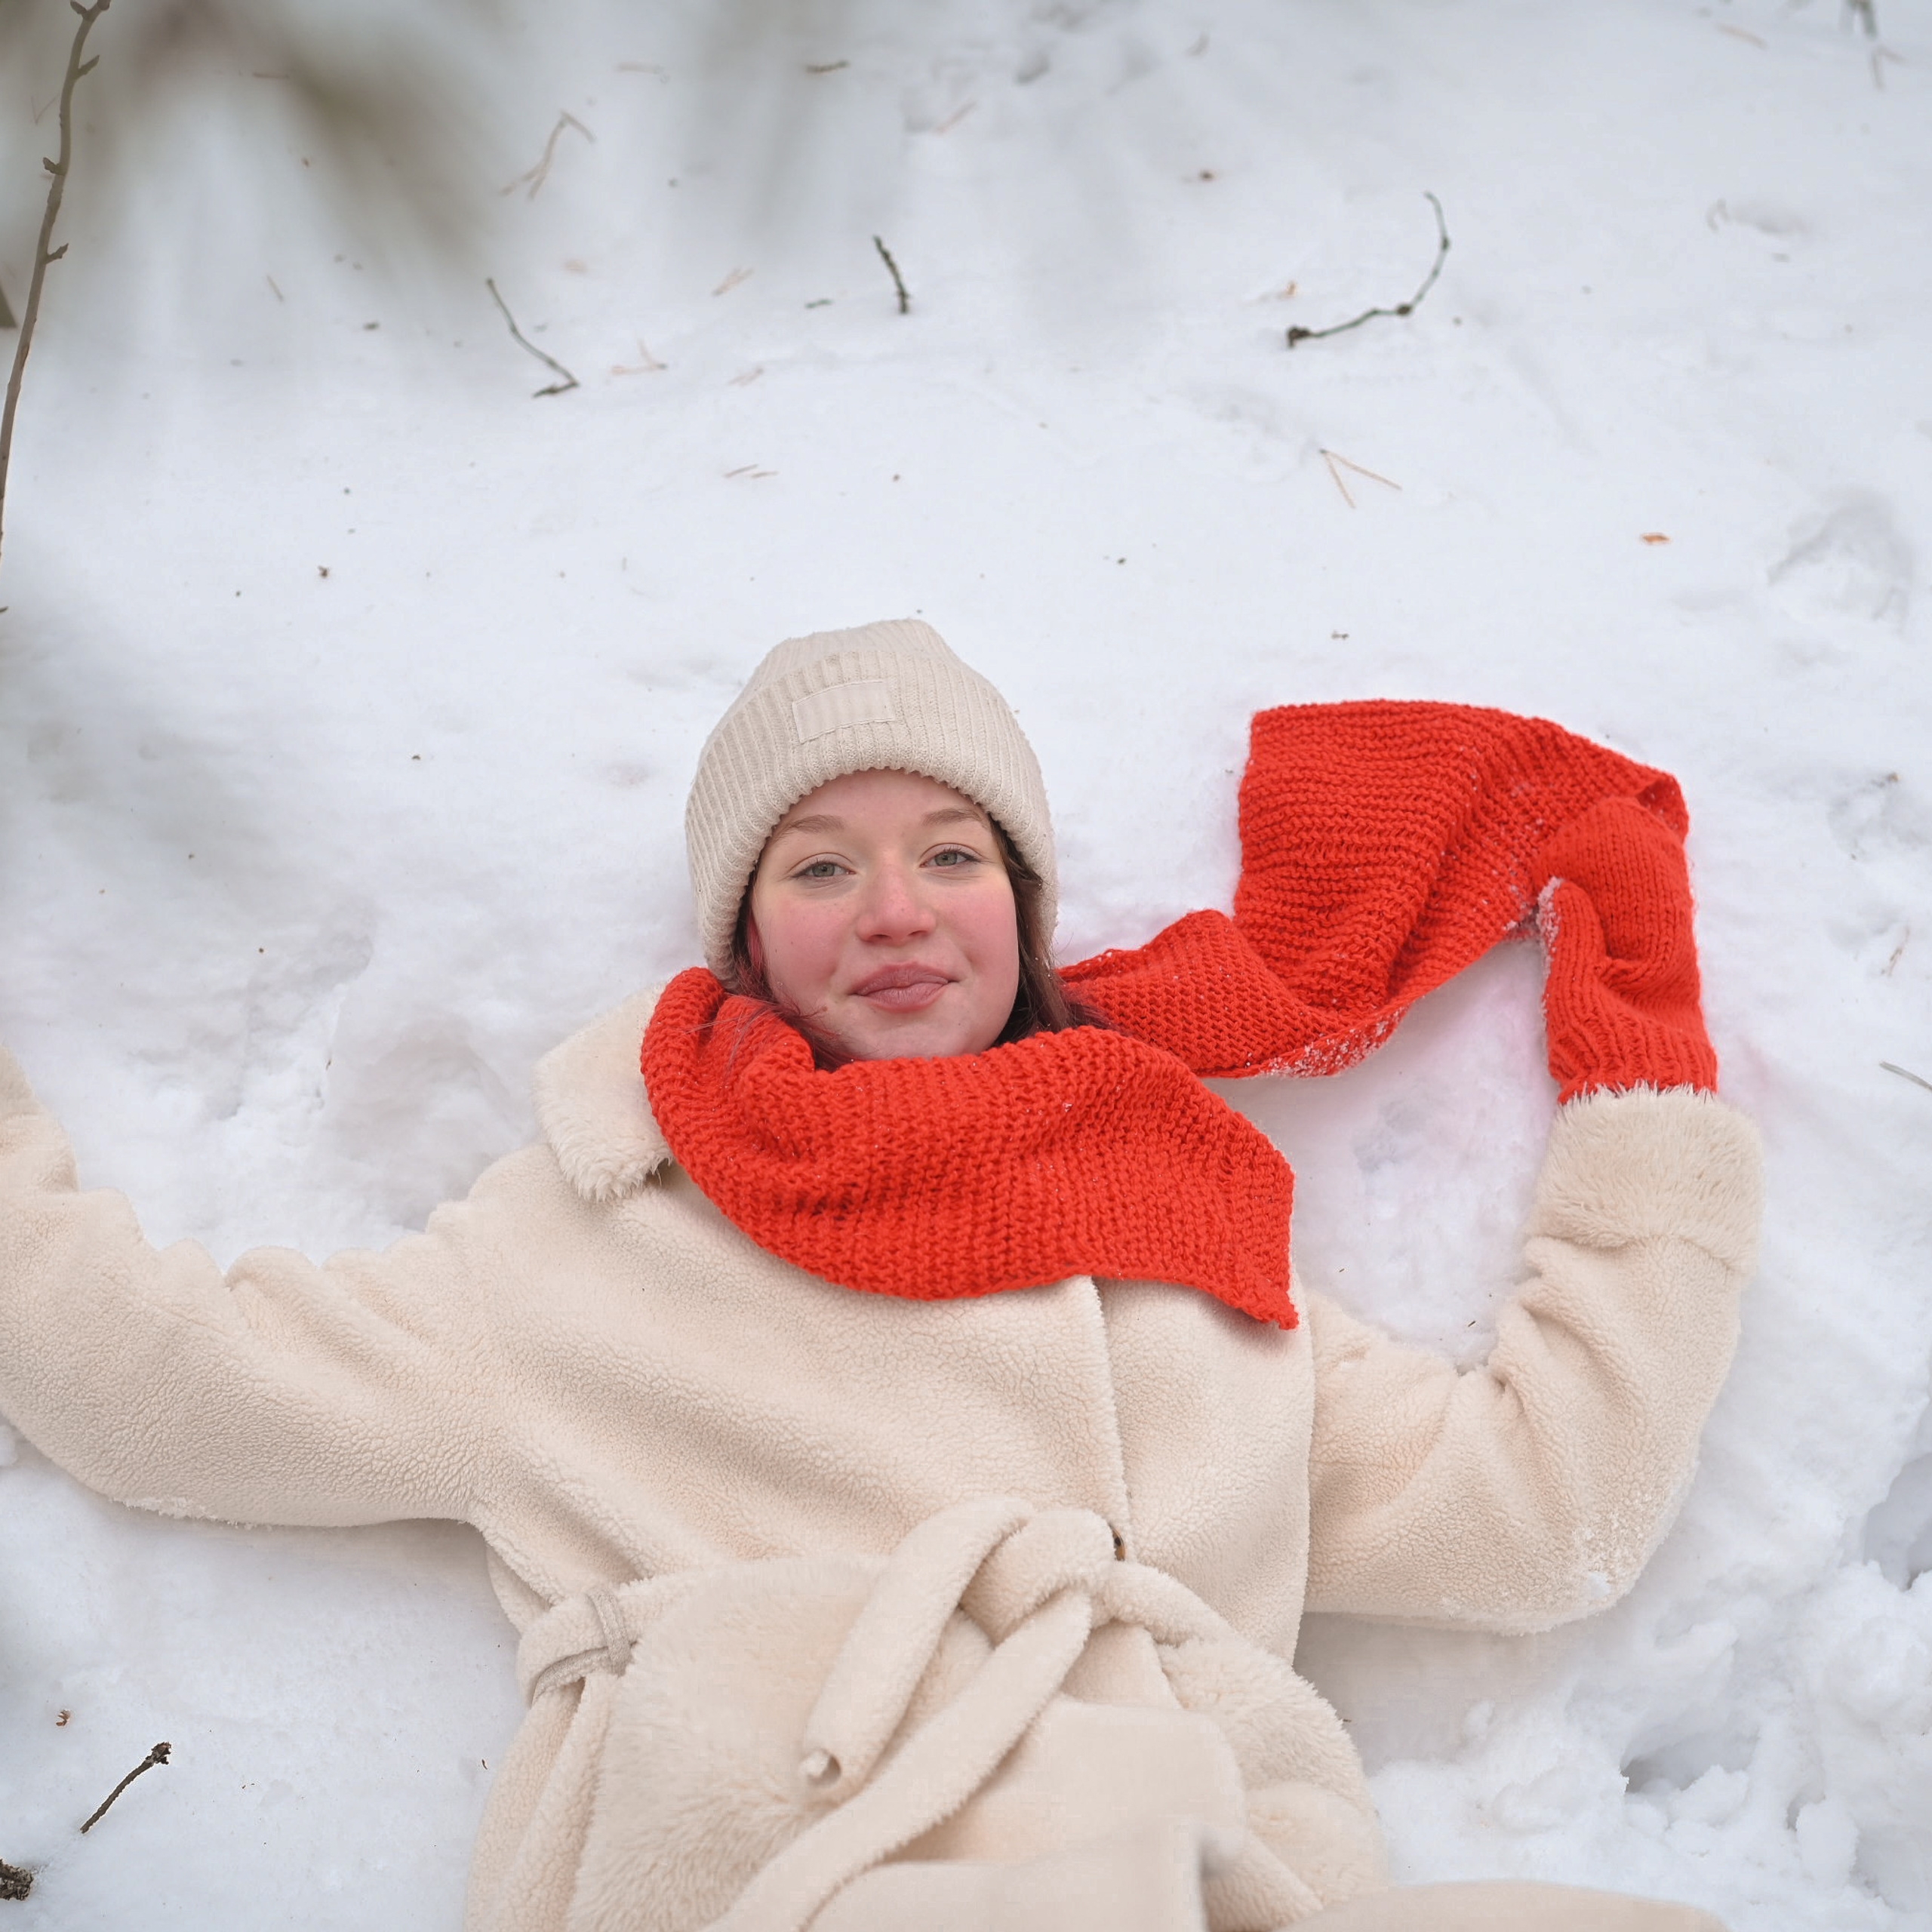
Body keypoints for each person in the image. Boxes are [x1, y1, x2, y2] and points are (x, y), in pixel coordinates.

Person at [0, 619, 1761, 1932]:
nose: (897, 906)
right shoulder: (586, 1244)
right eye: (820, 865)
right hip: (775, 1860)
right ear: (749, 940)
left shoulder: (1186, 1246)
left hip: (1187, 1870)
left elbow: (1546, 1513)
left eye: (952, 853)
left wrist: (1642, 1078)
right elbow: (159, 1381)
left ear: (1022, 905)